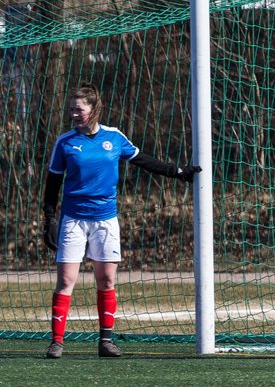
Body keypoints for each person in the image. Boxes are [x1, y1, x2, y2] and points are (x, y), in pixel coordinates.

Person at [42, 84, 200, 359]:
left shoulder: (113, 138)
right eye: (71, 110)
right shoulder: (65, 142)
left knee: (106, 279)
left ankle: (106, 341)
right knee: (66, 280)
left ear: (93, 109)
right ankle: (57, 342)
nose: (74, 115)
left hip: (105, 220)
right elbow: (52, 184)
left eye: (79, 109)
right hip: (73, 220)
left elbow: (144, 161)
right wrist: (49, 219)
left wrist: (178, 172)